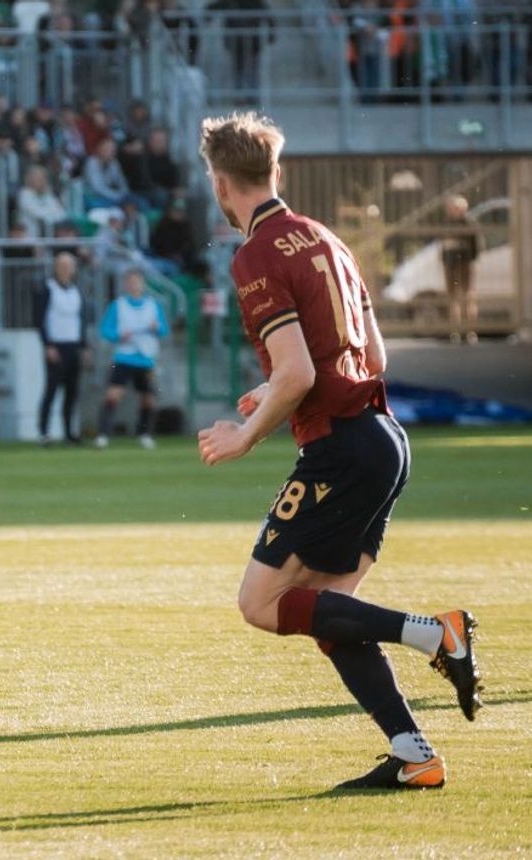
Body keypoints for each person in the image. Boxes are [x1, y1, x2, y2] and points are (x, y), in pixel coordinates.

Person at [196, 113, 481, 790]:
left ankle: (436, 634)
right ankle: (415, 756)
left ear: (220, 183)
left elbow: (298, 373)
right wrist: (273, 388)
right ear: (276, 172)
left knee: (262, 603)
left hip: (342, 448)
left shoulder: (256, 255)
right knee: (330, 615)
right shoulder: (327, 237)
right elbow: (371, 357)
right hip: (384, 438)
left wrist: (246, 435)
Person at [94, 268, 169, 449]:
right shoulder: (118, 305)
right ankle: (103, 434)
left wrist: (157, 327)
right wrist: (118, 335)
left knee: (148, 398)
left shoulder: (152, 305)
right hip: (124, 356)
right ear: (126, 285)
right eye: (131, 282)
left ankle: (144, 434)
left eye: (137, 281)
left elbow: (164, 329)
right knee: (113, 395)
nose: (134, 285)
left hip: (146, 358)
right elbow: (105, 330)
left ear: (143, 284)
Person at [35, 252, 90, 444]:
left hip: (73, 345)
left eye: (69, 266)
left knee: (72, 392)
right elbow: (39, 319)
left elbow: (81, 320)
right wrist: (48, 344)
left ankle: (69, 432)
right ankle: (44, 433)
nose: (66, 270)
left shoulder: (76, 290)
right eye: (62, 266)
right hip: (56, 345)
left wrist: (84, 346)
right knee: (51, 390)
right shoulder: (48, 289)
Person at [439, 195, 480, 344]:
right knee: (452, 297)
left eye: (456, 208)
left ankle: (469, 330)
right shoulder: (446, 223)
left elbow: (475, 245)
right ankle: (454, 331)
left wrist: (470, 259)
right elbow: (444, 244)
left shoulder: (469, 223)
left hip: (464, 263)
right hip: (450, 264)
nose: (453, 211)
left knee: (467, 296)